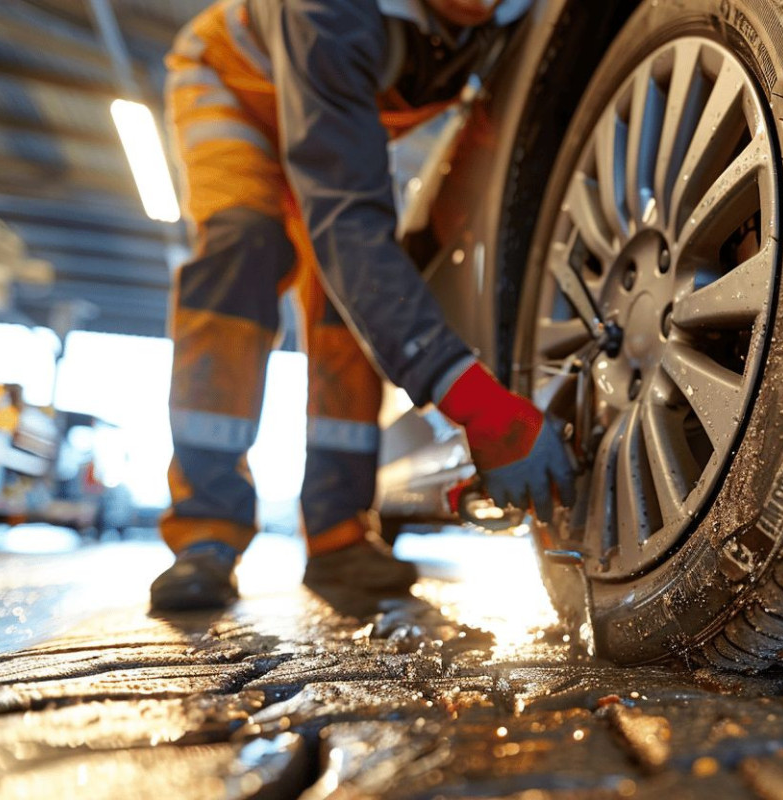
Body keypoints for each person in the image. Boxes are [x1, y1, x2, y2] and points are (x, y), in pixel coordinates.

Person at [150, 0, 574, 611]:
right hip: (238, 86)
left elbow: (485, 140)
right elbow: (347, 219)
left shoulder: (512, 14)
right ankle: (204, 536)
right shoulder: (326, 11)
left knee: (345, 311)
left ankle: (338, 536)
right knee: (243, 251)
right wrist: (473, 399)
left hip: (337, 118)